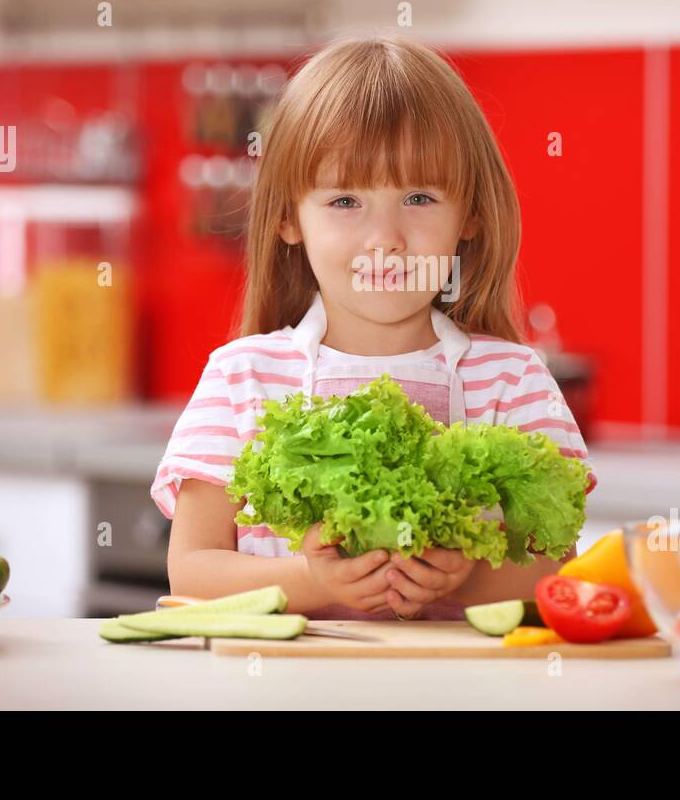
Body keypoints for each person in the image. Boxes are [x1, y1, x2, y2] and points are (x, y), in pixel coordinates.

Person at [154, 33, 596, 621]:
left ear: (470, 215)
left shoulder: (513, 382)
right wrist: (317, 581)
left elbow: (557, 569)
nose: (384, 238)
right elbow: (193, 570)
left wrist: (462, 577)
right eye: (344, 201)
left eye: (418, 197)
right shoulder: (243, 378)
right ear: (289, 217)